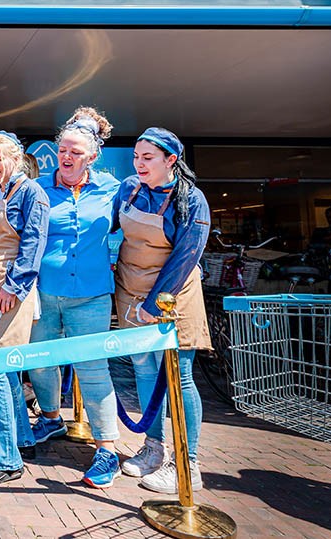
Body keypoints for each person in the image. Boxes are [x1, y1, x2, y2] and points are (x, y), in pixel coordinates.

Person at [27, 106, 123, 488]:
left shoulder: (113, 191)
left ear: (93, 157)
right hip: (45, 293)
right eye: (63, 149)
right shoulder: (39, 189)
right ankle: (50, 418)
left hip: (92, 294)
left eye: (76, 152)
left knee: (92, 368)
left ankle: (108, 450)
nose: (67, 157)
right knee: (40, 363)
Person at [114, 127, 212, 494]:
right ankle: (153, 448)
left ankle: (187, 463)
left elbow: (186, 257)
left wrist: (154, 306)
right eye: (136, 157)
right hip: (130, 290)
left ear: (171, 160)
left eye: (148, 158)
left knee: (178, 375)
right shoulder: (129, 189)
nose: (139, 164)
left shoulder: (192, 200)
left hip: (173, 296)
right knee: (142, 366)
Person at [0, 131, 49, 484]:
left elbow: (32, 245)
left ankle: (3, 460)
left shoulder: (32, 193)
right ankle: (21, 439)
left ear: (15, 158)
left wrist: (13, 288)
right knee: (8, 370)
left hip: (8, 293)